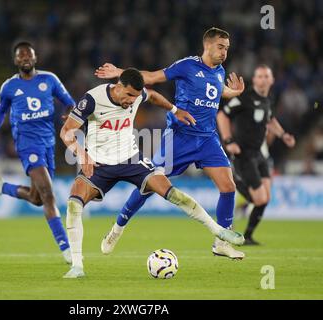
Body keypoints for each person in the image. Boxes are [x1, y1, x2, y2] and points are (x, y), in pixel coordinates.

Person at [60, 68, 244, 278]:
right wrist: (82, 155)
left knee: (172, 192)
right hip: (99, 164)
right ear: (118, 85)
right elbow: (66, 131)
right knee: (74, 203)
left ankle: (218, 231)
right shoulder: (94, 98)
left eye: (136, 97)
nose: (132, 101)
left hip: (132, 159)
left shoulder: (137, 96)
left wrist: (175, 110)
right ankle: (77, 266)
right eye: (129, 95)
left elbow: (154, 96)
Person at [95, 27, 245, 259]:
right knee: (147, 184)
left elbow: (216, 90)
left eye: (227, 48)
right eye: (220, 47)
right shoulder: (187, 65)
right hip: (180, 137)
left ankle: (221, 242)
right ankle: (117, 228)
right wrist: (121, 72)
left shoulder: (219, 71)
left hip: (207, 139)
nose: (225, 52)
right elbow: (152, 77)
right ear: (207, 45)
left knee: (228, 187)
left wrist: (233, 93)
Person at [0, 41, 76, 263]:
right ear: (15, 61)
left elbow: (70, 102)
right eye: (21, 56)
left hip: (48, 143)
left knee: (37, 198)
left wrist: (69, 113)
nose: (25, 59)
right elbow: (0, 112)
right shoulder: (9, 87)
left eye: (28, 56)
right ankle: (67, 250)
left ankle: (2, 187)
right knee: (49, 194)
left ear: (35, 58)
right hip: (26, 143)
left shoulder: (49, 79)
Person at [217, 64, 296, 245]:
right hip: (244, 154)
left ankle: (249, 237)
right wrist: (229, 141)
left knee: (265, 198)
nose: (263, 80)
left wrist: (283, 135)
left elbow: (271, 120)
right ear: (254, 80)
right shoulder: (245, 97)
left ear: (272, 80)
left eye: (266, 76)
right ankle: (235, 183)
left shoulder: (268, 100)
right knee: (259, 198)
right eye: (259, 76)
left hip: (260, 154)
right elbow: (222, 115)